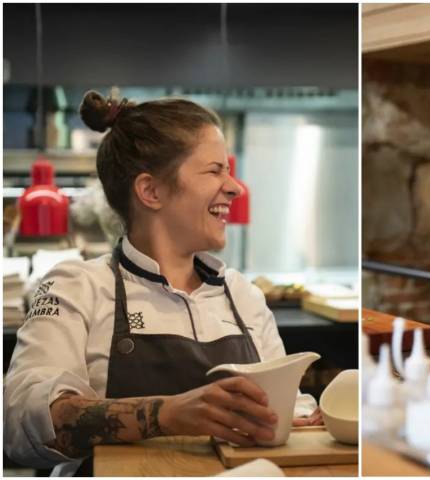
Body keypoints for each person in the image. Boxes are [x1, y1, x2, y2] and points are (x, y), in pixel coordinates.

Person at [4, 90, 322, 475]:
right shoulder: (75, 287)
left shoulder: (242, 295)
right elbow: (20, 424)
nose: (235, 187)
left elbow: (293, 405)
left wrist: (306, 415)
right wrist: (168, 414)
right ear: (151, 191)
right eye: (214, 170)